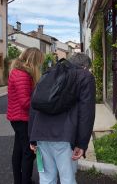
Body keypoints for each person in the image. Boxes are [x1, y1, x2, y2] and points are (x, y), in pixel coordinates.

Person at [29, 52, 96, 184]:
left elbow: (33, 106)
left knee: (47, 179)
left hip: (40, 135)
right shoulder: (84, 76)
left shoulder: (49, 73)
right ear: (85, 67)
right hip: (65, 137)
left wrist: (32, 137)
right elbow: (86, 113)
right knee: (68, 179)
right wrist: (82, 143)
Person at [7, 47, 44, 184]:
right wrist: (42, 106)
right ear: (33, 60)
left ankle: (19, 180)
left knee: (18, 150)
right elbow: (25, 102)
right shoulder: (22, 74)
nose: (40, 65)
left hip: (17, 118)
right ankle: (25, 181)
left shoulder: (18, 72)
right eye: (39, 62)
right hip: (22, 119)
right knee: (28, 153)